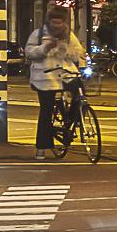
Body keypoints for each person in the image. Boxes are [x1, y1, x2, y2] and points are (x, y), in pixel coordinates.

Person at [27, 12, 90, 156]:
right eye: (54, 22)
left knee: (80, 94)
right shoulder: (38, 34)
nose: (57, 25)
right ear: (48, 22)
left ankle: (73, 118)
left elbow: (78, 53)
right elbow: (29, 53)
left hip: (66, 73)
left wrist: (64, 49)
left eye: (59, 22)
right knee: (46, 110)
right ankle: (42, 146)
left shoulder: (69, 35)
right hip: (45, 76)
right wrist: (45, 47)